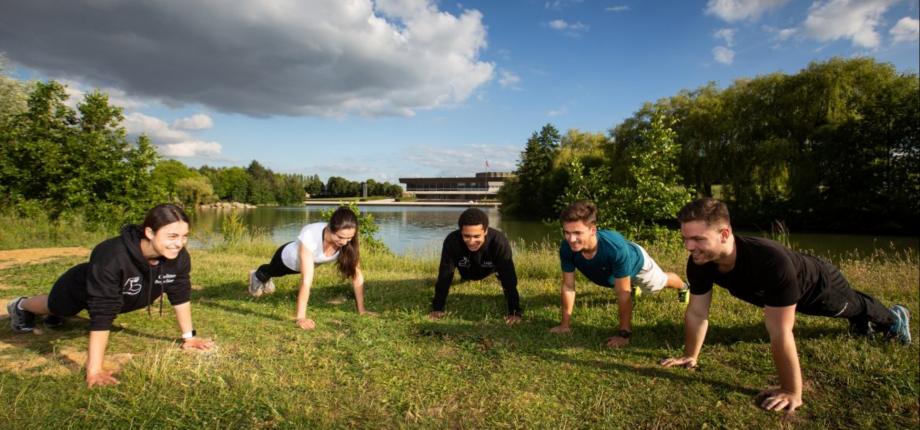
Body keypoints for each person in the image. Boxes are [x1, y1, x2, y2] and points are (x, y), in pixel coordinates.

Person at [661, 198, 911, 413]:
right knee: (853, 312)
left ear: (724, 234)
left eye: (697, 239)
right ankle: (859, 323)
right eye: (685, 238)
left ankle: (894, 317)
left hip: (818, 286)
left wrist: (791, 391)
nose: (688, 247)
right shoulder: (700, 261)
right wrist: (690, 355)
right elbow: (697, 312)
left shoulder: (770, 261)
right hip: (785, 290)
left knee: (852, 306)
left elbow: (780, 331)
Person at [6, 204, 214, 388]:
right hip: (80, 287)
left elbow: (180, 295)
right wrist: (94, 370)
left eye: (184, 236)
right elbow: (103, 311)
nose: (179, 243)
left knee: (61, 316)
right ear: (150, 232)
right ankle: (21, 305)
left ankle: (56, 318)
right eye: (172, 236)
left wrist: (189, 338)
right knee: (55, 307)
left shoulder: (178, 258)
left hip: (124, 296)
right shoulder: (112, 255)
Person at [550, 201, 690, 347]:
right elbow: (568, 286)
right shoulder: (567, 248)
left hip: (637, 263)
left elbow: (623, 293)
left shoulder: (614, 249)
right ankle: (630, 283)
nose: (571, 239)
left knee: (657, 285)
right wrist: (564, 325)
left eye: (577, 233)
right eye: (567, 232)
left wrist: (624, 335)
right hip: (617, 270)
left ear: (593, 230)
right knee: (621, 283)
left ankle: (684, 286)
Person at [248, 206, 373, 330]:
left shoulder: (347, 243)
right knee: (271, 271)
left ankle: (265, 280)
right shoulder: (311, 235)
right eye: (340, 237)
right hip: (286, 259)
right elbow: (306, 281)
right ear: (330, 228)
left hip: (304, 264)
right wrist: (301, 317)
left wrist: (362, 310)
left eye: (349, 238)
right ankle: (256, 276)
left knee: (272, 276)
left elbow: (357, 276)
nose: (345, 242)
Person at [429, 208, 522, 325]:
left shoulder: (499, 241)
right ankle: (465, 278)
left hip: (490, 269)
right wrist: (437, 308)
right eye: (466, 236)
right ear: (460, 231)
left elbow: (509, 278)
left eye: (477, 236)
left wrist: (514, 312)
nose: (472, 241)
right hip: (466, 271)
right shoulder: (452, 241)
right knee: (450, 275)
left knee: (504, 276)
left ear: (486, 231)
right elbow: (445, 275)